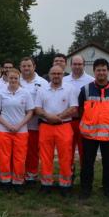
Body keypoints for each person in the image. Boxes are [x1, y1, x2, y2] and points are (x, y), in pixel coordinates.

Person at [77, 58, 109, 199]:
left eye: (104, 70)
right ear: (94, 71)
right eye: (98, 70)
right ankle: (86, 189)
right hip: (89, 135)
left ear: (108, 71)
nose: (101, 73)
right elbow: (80, 110)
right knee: (87, 164)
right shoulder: (85, 89)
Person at [34, 65, 78, 195]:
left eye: (59, 73)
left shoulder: (70, 89)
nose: (56, 76)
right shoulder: (42, 90)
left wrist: (57, 117)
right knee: (45, 156)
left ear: (63, 74)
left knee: (65, 156)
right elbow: (37, 108)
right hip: (46, 127)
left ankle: (65, 185)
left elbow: (74, 108)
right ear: (50, 74)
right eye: (54, 73)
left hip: (63, 126)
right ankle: (46, 184)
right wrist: (48, 117)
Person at [0, 68, 35, 194]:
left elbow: (30, 112)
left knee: (19, 158)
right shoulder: (1, 93)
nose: (13, 80)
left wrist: (19, 125)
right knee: (4, 157)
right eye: (11, 78)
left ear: (19, 78)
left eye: (16, 78)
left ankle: (18, 182)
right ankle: (5, 181)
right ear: (7, 78)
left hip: (20, 131)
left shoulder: (25, 93)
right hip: (4, 130)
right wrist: (7, 125)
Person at [19, 56, 49, 184]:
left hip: (34, 124)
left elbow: (46, 102)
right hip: (17, 124)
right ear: (20, 68)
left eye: (28, 66)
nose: (26, 68)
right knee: (19, 152)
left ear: (34, 67)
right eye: (24, 66)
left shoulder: (43, 82)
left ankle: (31, 175)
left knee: (32, 152)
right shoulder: (15, 80)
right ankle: (18, 174)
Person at [63, 55, 95, 166]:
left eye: (79, 64)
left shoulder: (91, 81)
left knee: (85, 151)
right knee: (67, 150)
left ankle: (84, 176)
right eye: (75, 64)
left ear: (84, 65)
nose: (77, 66)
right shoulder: (64, 80)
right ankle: (68, 175)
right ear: (70, 65)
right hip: (68, 121)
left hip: (84, 121)